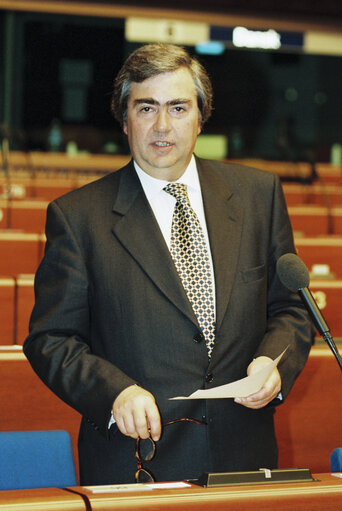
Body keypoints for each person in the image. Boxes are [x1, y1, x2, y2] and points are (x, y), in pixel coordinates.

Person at [24, 43, 314, 485]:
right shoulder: (78, 217)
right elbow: (51, 339)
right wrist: (114, 391)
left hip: (246, 456)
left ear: (201, 117)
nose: (162, 126)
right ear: (125, 119)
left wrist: (272, 363)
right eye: (146, 108)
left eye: (178, 107)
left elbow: (292, 310)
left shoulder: (259, 196)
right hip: (137, 460)